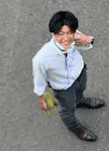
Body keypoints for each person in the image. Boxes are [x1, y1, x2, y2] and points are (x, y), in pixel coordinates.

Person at [32, 11, 104, 142]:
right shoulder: (41, 58)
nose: (65, 39)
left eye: (69, 33)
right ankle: (75, 127)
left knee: (81, 90)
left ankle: (80, 101)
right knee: (67, 109)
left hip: (80, 72)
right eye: (60, 34)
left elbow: (88, 44)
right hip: (63, 88)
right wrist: (41, 99)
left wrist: (89, 40)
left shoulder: (74, 36)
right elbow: (39, 80)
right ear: (53, 34)